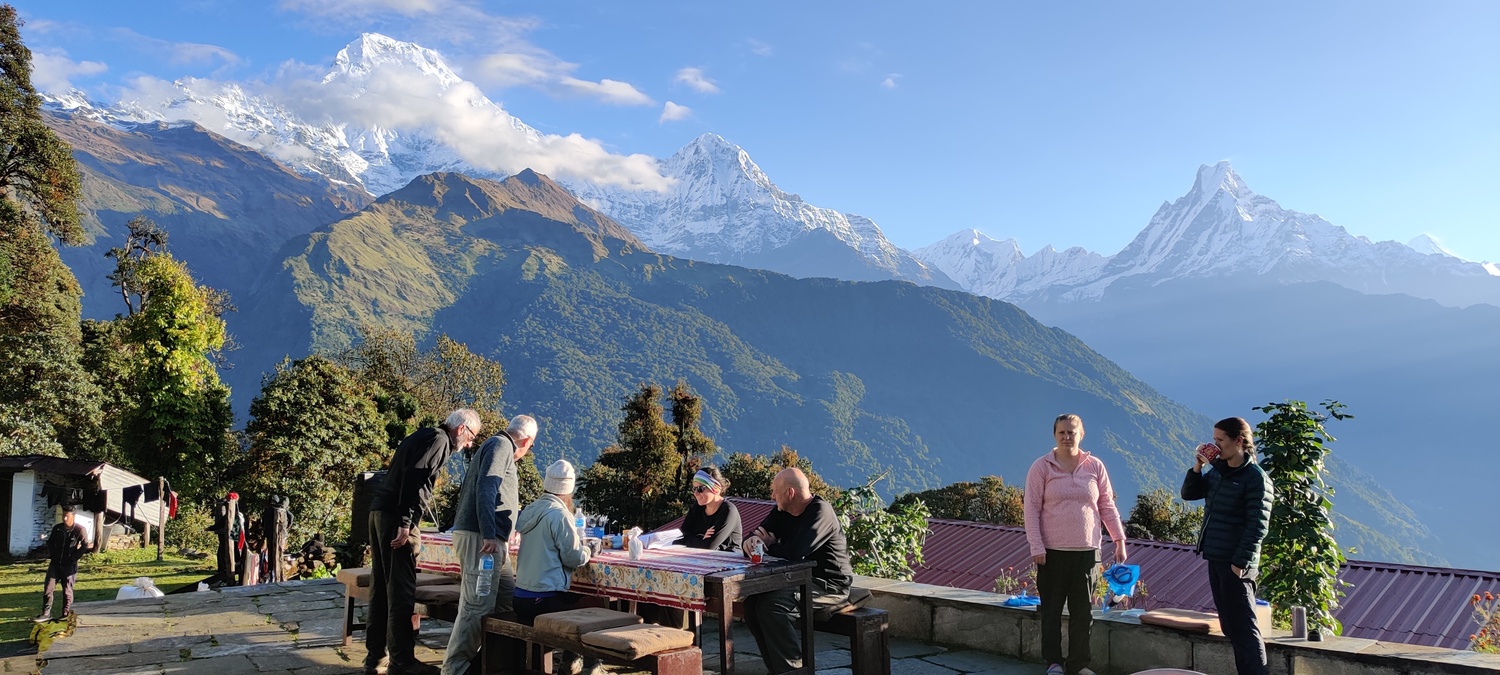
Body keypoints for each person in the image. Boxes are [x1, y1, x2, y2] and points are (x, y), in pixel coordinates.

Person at [366, 409, 482, 675]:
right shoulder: (440, 441)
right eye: (472, 437)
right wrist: (406, 523)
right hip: (396, 517)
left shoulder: (422, 435)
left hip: (379, 510)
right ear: (461, 429)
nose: (470, 444)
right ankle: (402, 661)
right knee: (401, 592)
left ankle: (375, 658)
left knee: (381, 589)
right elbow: (416, 480)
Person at [1023, 413, 1127, 675]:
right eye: (1062, 432)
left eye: (1072, 432)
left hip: (1087, 553)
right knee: (1052, 612)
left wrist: (1119, 539)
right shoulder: (1042, 467)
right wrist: (1036, 546)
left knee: (1083, 614)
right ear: (1054, 435)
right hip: (1052, 553)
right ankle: (1054, 662)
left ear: (1082, 434)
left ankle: (1079, 664)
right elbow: (1031, 509)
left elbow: (1106, 505)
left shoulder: (1095, 466)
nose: (1067, 437)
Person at [442, 415, 537, 675]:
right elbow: (487, 488)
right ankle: (456, 669)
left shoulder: (497, 445)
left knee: (508, 600)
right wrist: (488, 533)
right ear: (527, 440)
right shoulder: (501, 445)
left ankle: (499, 663)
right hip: (481, 539)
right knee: (477, 605)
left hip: (491, 539)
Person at [1181, 417, 1274, 675]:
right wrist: (1198, 467)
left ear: (1239, 441)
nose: (1216, 445)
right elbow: (1189, 494)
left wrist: (1239, 563)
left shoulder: (1256, 478)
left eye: (1220, 440)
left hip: (1236, 563)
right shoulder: (1219, 471)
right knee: (1230, 626)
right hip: (1215, 556)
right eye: (1214, 440)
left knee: (1244, 627)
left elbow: (1257, 525)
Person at [741, 468, 852, 674]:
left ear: (790, 493)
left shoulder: (820, 512)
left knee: (772, 606)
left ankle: (793, 670)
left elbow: (796, 552)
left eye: (775, 491)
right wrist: (752, 542)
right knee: (751, 604)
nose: (772, 496)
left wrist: (768, 546)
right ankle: (777, 669)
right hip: (798, 580)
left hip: (829, 585)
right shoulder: (782, 511)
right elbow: (754, 535)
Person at [514, 460, 604, 674]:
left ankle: (570, 660)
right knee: (594, 603)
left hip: (520, 598)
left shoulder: (531, 509)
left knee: (574, 600)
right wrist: (589, 550)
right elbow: (573, 557)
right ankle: (592, 665)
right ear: (568, 490)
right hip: (542, 600)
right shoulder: (560, 515)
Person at [34, 505, 89, 623]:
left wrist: (73, 558)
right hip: (55, 564)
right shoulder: (57, 529)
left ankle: (65, 614)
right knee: (48, 588)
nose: (64, 518)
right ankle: (45, 613)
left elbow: (85, 545)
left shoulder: (79, 530)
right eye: (63, 515)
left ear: (73, 516)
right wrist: (52, 555)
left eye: (67, 516)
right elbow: (50, 542)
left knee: (67, 591)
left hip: (69, 566)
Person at [676, 467, 742, 551]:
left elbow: (709, 546)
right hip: (701, 558)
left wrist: (696, 539)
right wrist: (701, 537)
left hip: (728, 560)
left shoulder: (728, 511)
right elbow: (680, 537)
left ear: (715, 488)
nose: (695, 493)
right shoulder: (697, 508)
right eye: (694, 489)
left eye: (700, 489)